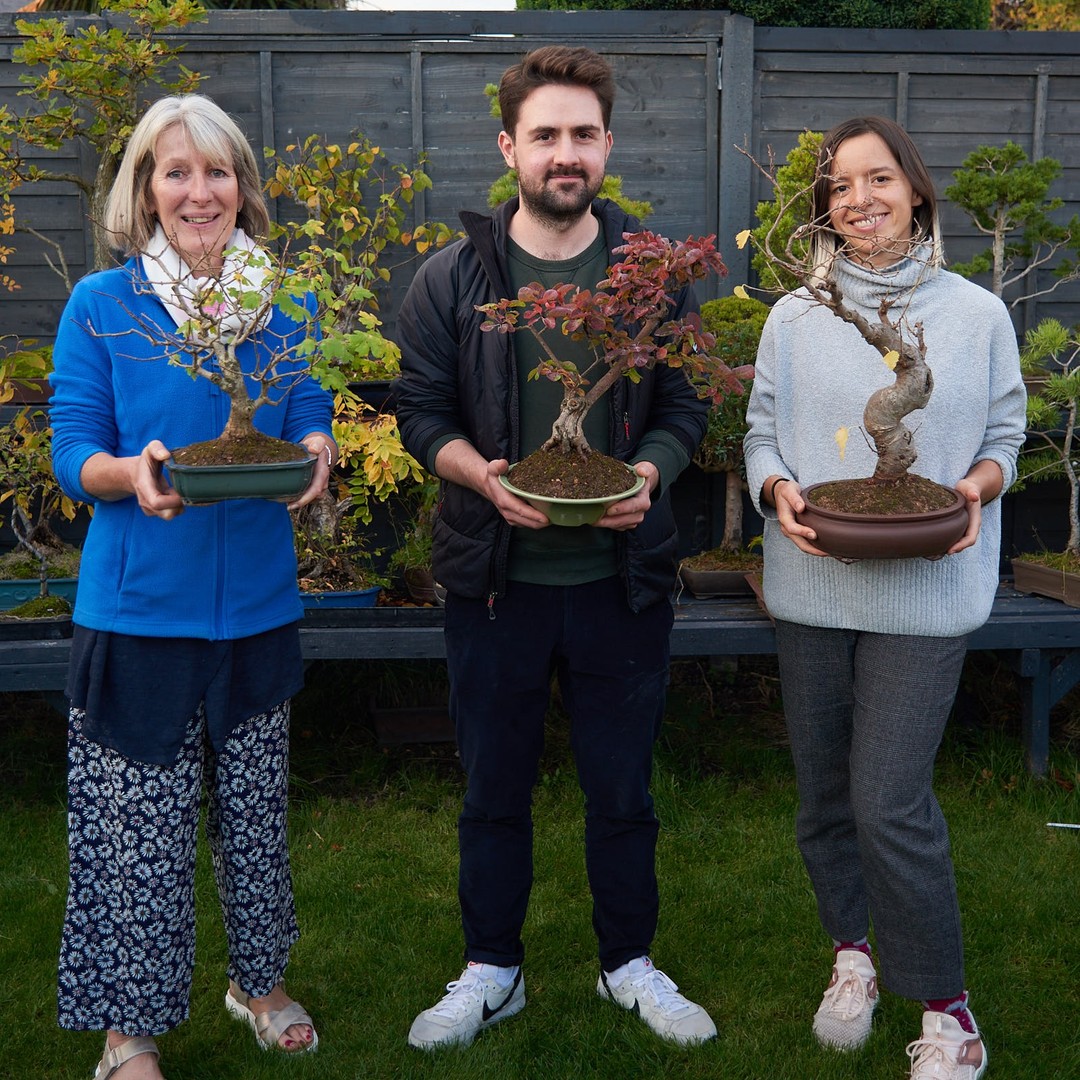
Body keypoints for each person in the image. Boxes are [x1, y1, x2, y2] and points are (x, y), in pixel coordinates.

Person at [393, 45, 716, 1051]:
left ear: (607, 144)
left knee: (623, 792)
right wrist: (481, 476)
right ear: (509, 147)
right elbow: (420, 412)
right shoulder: (452, 280)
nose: (564, 153)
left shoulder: (653, 282)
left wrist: (648, 474)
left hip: (623, 580)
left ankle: (629, 964)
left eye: (582, 133)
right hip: (495, 583)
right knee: (493, 791)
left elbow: (687, 405)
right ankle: (492, 968)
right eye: (545, 135)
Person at [49, 94, 336, 1080]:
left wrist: (317, 447)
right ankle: (127, 1033)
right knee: (136, 837)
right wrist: (129, 473)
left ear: (242, 188)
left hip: (257, 608)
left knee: (256, 820)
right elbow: (73, 449)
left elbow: (308, 404)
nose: (198, 191)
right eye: (176, 171)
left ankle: (258, 983)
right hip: (138, 614)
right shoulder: (105, 306)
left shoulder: (287, 304)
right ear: (146, 191)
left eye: (216, 171)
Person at [743, 116, 1026, 1080]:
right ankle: (852, 954)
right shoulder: (796, 314)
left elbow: (1005, 434)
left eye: (878, 179)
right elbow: (762, 432)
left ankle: (948, 1010)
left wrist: (974, 490)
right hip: (812, 585)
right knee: (825, 797)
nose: (859, 199)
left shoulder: (975, 314)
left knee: (889, 802)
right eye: (839, 186)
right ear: (823, 207)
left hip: (927, 592)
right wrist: (777, 488)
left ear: (915, 190)